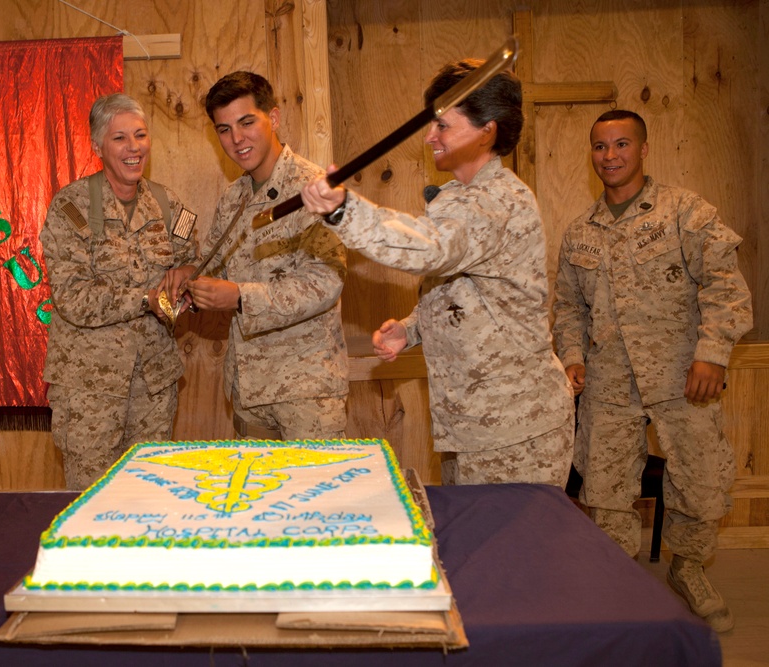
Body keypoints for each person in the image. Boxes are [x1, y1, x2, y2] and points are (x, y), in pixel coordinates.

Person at [300, 59, 574, 486]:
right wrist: (412, 328)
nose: (430, 137)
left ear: (488, 130)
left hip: (515, 430)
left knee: (511, 553)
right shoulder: (459, 198)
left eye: (443, 126)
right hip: (470, 424)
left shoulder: (496, 202)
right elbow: (466, 292)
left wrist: (344, 210)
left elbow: (431, 249)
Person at [552, 109, 752, 632]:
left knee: (700, 476)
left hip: (683, 376)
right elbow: (568, 308)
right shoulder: (579, 234)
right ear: (591, 154)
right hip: (609, 381)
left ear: (643, 149)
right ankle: (619, 575)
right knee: (606, 484)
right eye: (600, 147)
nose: (610, 155)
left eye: (621, 144)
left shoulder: (685, 211)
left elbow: (723, 281)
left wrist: (713, 352)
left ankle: (688, 568)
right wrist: (572, 356)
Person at [168, 71, 348, 440]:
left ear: (274, 118)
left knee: (314, 497)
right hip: (248, 391)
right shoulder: (234, 197)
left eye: (247, 122)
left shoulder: (314, 191)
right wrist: (189, 282)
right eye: (224, 129)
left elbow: (325, 283)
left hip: (306, 394)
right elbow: (213, 266)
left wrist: (238, 296)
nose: (236, 139)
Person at [40, 93, 198, 489]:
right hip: (90, 390)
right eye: (120, 139)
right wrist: (145, 299)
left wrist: (188, 281)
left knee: (149, 495)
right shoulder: (70, 207)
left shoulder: (168, 204)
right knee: (91, 501)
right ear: (97, 146)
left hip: (154, 385)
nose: (134, 148)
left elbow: (196, 261)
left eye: (140, 136)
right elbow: (73, 298)